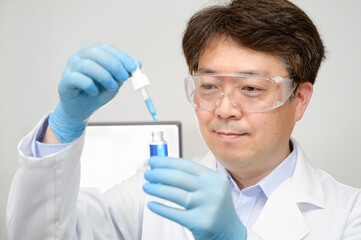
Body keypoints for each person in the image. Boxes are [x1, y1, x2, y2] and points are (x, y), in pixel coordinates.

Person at [6, 0, 361, 239]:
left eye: (251, 88)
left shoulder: (348, 215)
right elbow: (41, 233)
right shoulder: (154, 191)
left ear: (298, 100)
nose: (224, 109)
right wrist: (64, 125)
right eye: (207, 85)